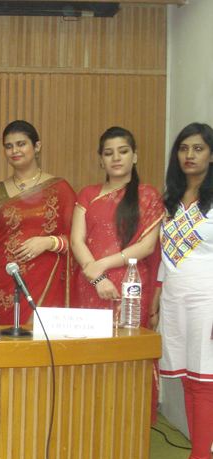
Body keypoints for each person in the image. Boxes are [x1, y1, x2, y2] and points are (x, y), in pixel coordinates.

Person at [151, 123, 213, 459]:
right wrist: (157, 299)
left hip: (207, 299)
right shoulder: (172, 199)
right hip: (175, 299)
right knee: (189, 380)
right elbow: (166, 257)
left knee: (203, 382)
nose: (189, 155)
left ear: (212, 154)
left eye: (199, 148)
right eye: (183, 148)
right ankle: (200, 458)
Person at [0, 120, 76, 325]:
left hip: (47, 277)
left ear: (37, 147)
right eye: (8, 146)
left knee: (42, 338)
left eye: (21, 144)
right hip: (4, 280)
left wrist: (48, 242)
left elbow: (78, 239)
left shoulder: (60, 188)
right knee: (6, 337)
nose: (14, 151)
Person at [71, 127, 164, 323]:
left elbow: (147, 247)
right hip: (92, 282)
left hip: (131, 284)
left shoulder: (148, 195)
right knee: (91, 341)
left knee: (129, 340)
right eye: (108, 153)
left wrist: (102, 265)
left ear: (134, 156)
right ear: (101, 160)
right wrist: (98, 278)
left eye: (123, 151)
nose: (116, 158)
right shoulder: (88, 194)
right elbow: (76, 241)